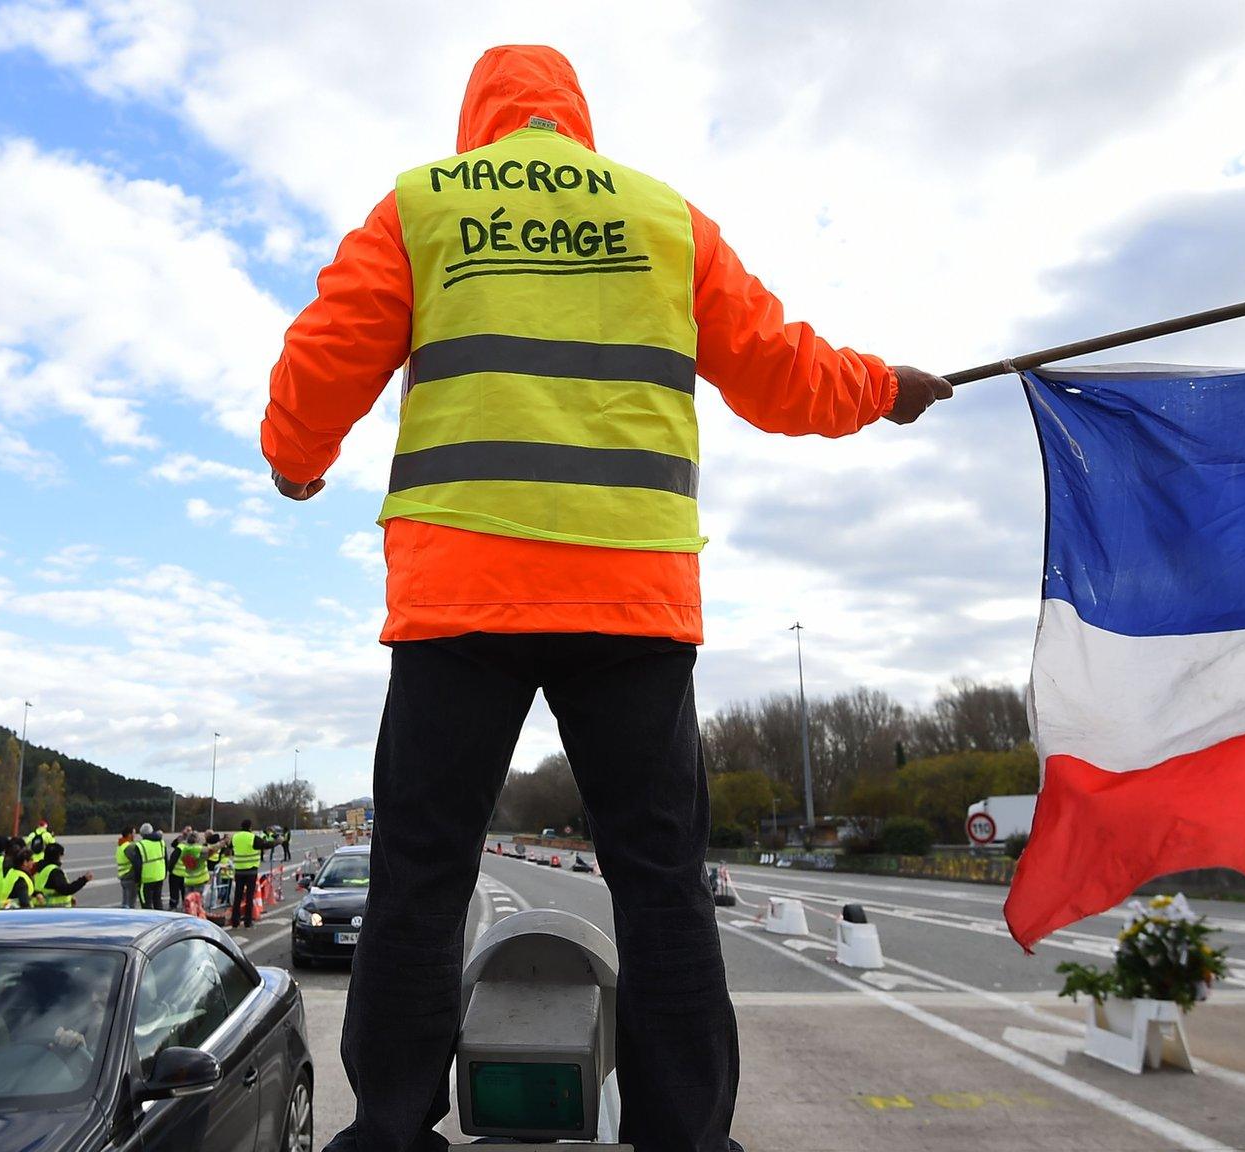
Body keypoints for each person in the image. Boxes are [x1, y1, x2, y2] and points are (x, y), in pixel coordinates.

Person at [260, 45, 950, 1152]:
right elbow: (779, 369)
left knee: (419, 875)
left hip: (461, 599)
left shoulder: (424, 205)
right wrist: (883, 390)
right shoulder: (663, 217)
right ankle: (686, 1134)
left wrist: (295, 456)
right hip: (628, 602)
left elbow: (324, 351)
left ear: (477, 116)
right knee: (661, 883)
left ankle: (387, 1129)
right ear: (574, 116)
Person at [227, 818, 274, 929]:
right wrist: (276, 841)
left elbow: (229, 848)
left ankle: (235, 921)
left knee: (237, 897)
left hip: (239, 871)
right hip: (251, 871)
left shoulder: (235, 837)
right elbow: (266, 844)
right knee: (249, 897)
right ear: (250, 827)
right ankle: (248, 921)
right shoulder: (253, 837)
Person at [34, 842, 92, 907]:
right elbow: (65, 889)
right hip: (53, 910)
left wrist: (70, 898)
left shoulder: (37, 868)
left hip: (39, 908)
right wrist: (84, 879)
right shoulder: (54, 871)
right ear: (58, 856)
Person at [132, 823, 167, 910]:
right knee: (157, 901)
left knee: (146, 904)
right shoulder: (161, 842)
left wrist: (137, 880)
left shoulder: (140, 845)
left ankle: (149, 922)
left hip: (146, 878)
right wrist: (165, 873)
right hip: (160, 875)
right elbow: (166, 859)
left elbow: (137, 865)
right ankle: (161, 920)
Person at [114, 826, 140, 909]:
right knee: (130, 903)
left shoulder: (120, 846)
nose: (135, 836)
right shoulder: (129, 847)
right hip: (130, 875)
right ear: (129, 835)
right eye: (134, 834)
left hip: (123, 875)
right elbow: (136, 861)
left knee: (125, 901)